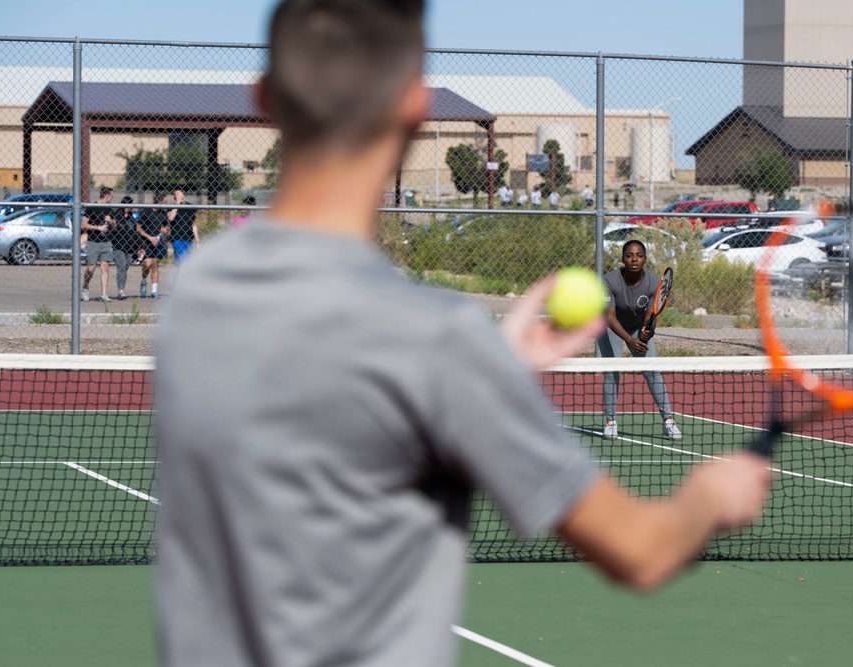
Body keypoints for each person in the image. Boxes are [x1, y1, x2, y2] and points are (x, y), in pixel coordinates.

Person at [153, 3, 770, 666]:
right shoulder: (437, 344)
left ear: (264, 98)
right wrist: (711, 496)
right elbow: (642, 550)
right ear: (415, 110)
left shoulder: (195, 290)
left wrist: (491, 368)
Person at [598, 239, 682, 441]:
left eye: (639, 255)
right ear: (623, 259)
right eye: (629, 255)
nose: (634, 259)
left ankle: (669, 421)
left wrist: (647, 331)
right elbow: (609, 317)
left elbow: (650, 316)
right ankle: (610, 423)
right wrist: (630, 340)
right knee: (612, 372)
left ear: (645, 259)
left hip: (636, 325)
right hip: (610, 326)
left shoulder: (654, 283)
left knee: (652, 371)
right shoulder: (609, 281)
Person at [81, 186, 115, 302]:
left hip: (106, 242)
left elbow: (115, 226)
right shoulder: (92, 207)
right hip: (93, 241)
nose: (112, 198)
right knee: (91, 268)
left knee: (105, 267)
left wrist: (110, 221)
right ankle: (85, 287)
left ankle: (103, 294)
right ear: (107, 196)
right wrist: (98, 228)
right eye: (111, 196)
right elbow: (84, 225)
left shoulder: (109, 208)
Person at [136, 192, 170, 299]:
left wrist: (165, 229)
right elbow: (138, 228)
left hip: (158, 241)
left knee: (155, 264)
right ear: (160, 201)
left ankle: (154, 291)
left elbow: (168, 225)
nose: (166, 203)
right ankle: (144, 281)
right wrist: (149, 237)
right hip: (146, 241)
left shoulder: (162, 213)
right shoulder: (146, 211)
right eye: (165, 201)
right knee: (147, 263)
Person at [111, 196, 142, 300]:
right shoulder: (116, 216)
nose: (130, 207)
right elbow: (112, 230)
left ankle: (122, 289)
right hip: (118, 246)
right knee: (122, 266)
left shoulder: (131, 218)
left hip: (129, 247)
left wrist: (139, 247)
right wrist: (113, 225)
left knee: (125, 268)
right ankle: (121, 291)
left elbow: (134, 233)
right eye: (129, 205)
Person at [167, 187, 199, 264]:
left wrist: (198, 241)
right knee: (182, 259)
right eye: (176, 195)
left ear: (184, 195)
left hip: (188, 239)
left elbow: (193, 225)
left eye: (180, 194)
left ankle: (178, 275)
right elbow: (171, 218)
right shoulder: (172, 207)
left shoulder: (190, 207)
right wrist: (177, 204)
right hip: (177, 238)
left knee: (186, 262)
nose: (179, 196)